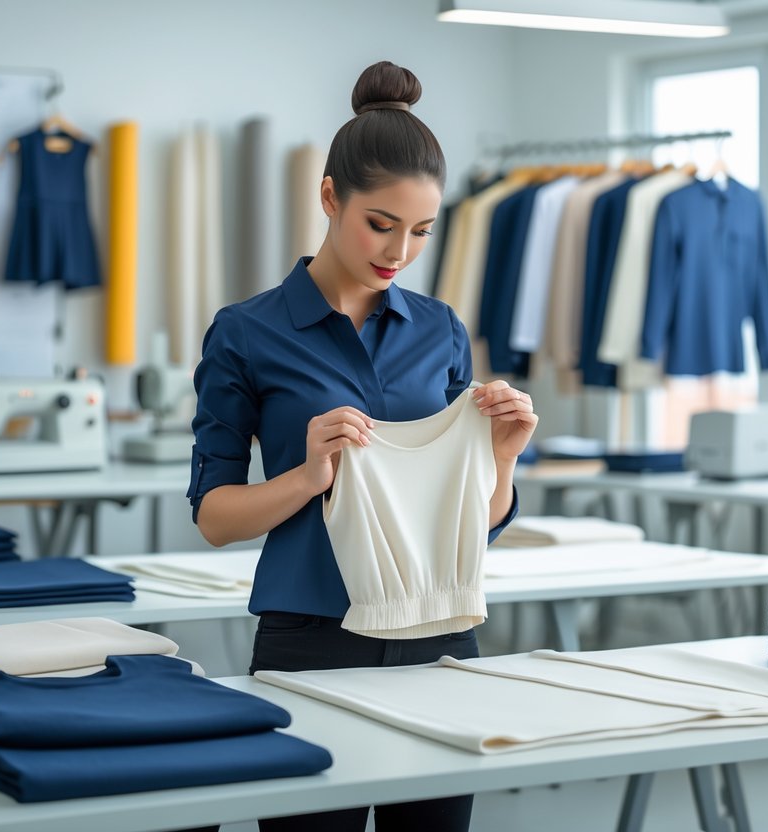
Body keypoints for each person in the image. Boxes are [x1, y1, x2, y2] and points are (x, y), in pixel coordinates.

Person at [188, 60, 538, 832]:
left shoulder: (441, 329)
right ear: (328, 197)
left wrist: (502, 457)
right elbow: (214, 517)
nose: (399, 250)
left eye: (420, 231)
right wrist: (309, 475)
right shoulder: (245, 333)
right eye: (380, 224)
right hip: (310, 644)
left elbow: (470, 522)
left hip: (441, 641)